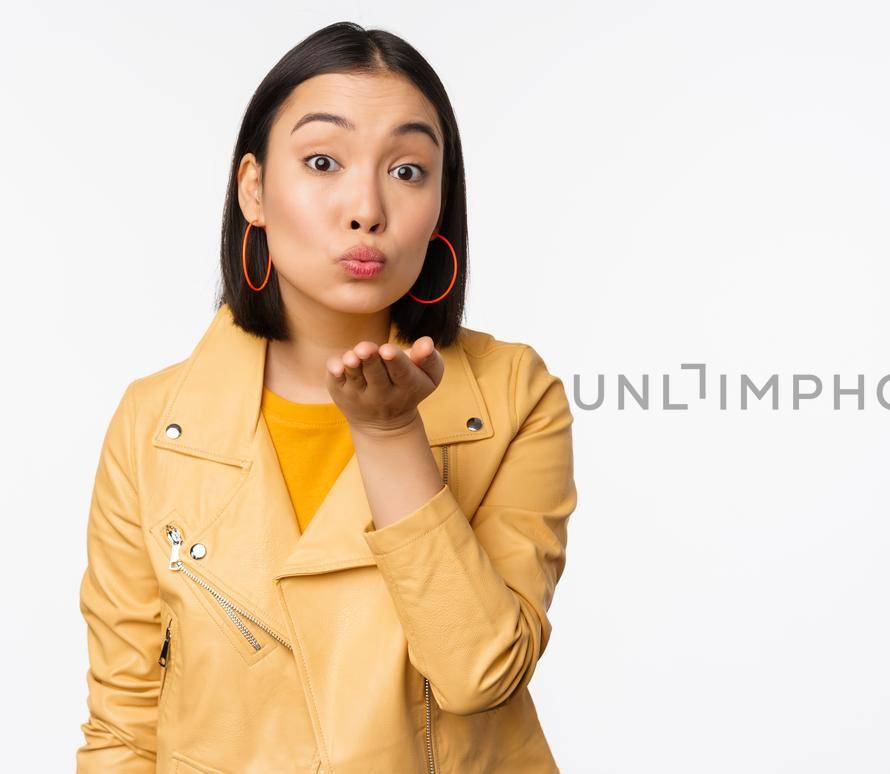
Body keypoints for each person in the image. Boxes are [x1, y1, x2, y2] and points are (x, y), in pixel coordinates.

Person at [75, 21, 577, 773]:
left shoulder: (512, 396)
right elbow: (122, 728)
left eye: (408, 171)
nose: (366, 208)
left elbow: (481, 672)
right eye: (322, 161)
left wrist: (389, 431)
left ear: (443, 202)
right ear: (254, 189)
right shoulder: (155, 424)